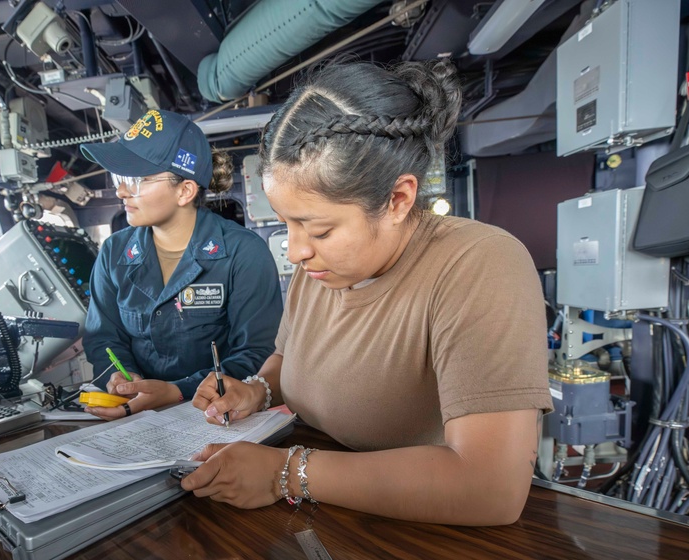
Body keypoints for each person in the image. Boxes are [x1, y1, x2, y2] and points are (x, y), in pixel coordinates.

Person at [186, 61, 553, 525]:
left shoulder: (480, 264)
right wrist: (256, 389)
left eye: (318, 229)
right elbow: (289, 359)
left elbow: (490, 486)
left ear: (398, 200)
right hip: (326, 511)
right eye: (287, 224)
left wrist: (287, 472)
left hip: (428, 536)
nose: (296, 250)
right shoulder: (321, 268)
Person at [80, 109, 283, 419]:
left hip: (218, 416)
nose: (121, 191)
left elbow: (257, 354)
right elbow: (104, 338)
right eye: (120, 178)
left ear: (185, 191)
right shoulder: (112, 253)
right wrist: (121, 378)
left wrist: (178, 391)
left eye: (136, 179)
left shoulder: (244, 253)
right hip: (135, 417)